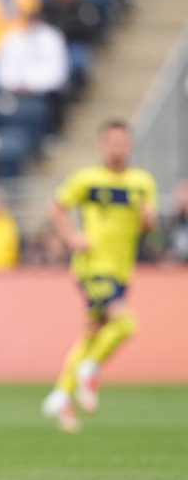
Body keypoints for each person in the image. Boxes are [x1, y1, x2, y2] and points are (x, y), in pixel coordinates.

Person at [41, 120, 156, 432]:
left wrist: (148, 221)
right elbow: (57, 206)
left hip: (121, 269)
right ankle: (89, 369)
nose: (117, 149)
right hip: (92, 266)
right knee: (125, 322)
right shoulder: (87, 179)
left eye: (122, 143)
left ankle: (61, 396)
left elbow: (147, 226)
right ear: (102, 146)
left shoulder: (142, 182)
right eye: (112, 143)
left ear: (129, 146)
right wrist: (70, 237)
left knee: (92, 334)